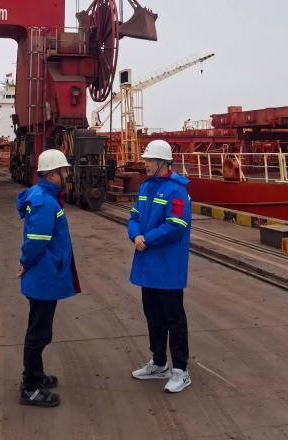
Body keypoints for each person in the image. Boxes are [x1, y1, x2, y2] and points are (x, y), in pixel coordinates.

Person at [15, 149, 80, 407]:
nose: (66, 175)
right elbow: (36, 241)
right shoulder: (45, 202)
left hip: (45, 274)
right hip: (43, 275)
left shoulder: (44, 196)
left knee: (40, 330)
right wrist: (25, 262)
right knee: (38, 333)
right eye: (63, 171)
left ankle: (36, 375)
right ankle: (31, 388)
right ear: (53, 174)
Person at [127, 140, 193, 393]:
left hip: (167, 266)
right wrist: (135, 235)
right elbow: (134, 215)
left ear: (163, 163)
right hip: (148, 264)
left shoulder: (176, 191)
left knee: (173, 317)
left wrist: (147, 239)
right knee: (153, 315)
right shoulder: (146, 187)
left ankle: (181, 370)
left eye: (149, 160)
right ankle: (158, 363)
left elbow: (176, 226)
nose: (145, 164)